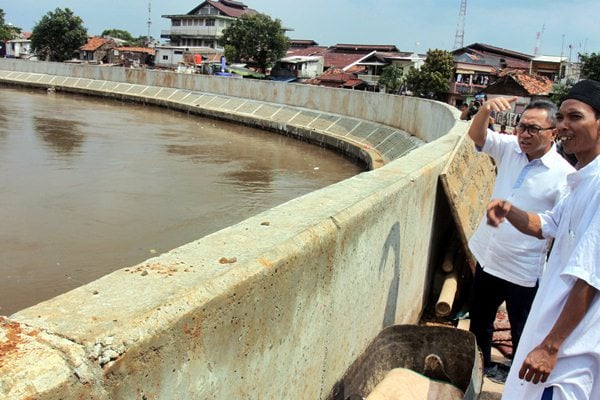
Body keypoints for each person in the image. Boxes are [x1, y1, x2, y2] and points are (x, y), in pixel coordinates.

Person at [487, 79, 600, 400]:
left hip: (571, 349)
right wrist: (508, 210)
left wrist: (551, 347)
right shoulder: (581, 180)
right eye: (561, 118)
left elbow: (589, 277)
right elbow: (546, 225)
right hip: (556, 333)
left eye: (575, 117)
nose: (563, 126)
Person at [466, 96, 575, 382]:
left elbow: (555, 226)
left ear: (553, 133)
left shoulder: (565, 176)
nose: (524, 134)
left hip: (523, 268)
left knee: (523, 328)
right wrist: (486, 109)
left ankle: (517, 376)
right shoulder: (509, 149)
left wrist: (513, 213)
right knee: (479, 318)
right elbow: (476, 135)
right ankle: (479, 367)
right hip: (489, 254)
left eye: (533, 129)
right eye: (521, 126)